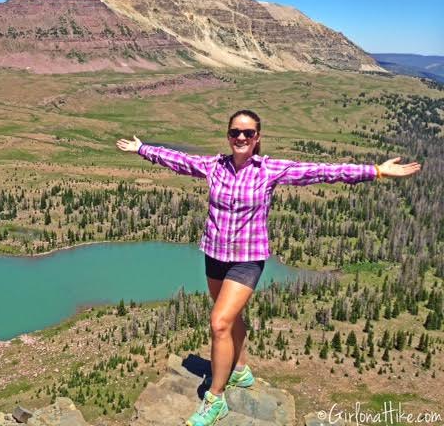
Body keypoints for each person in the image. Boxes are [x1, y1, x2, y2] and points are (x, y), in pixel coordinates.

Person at [116, 109, 420, 426]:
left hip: (248, 257)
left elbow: (322, 171)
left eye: (248, 133)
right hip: (215, 254)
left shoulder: (270, 169)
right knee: (230, 317)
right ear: (228, 135)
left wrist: (376, 171)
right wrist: (142, 149)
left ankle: (215, 399)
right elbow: (178, 160)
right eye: (236, 132)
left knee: (219, 322)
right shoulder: (214, 166)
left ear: (258, 137)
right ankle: (241, 369)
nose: (241, 138)